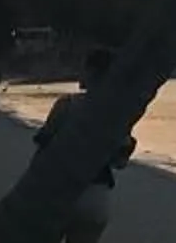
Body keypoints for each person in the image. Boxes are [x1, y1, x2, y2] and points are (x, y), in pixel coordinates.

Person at [34, 48, 137, 242]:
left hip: (59, 190)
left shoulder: (67, 105)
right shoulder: (118, 113)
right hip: (96, 196)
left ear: (91, 72)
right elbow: (120, 162)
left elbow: (43, 149)